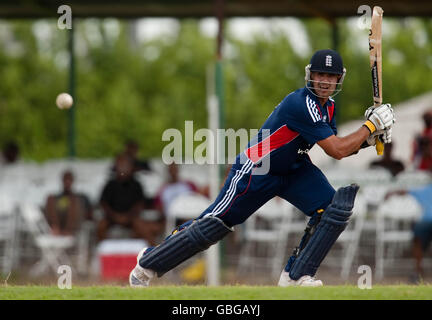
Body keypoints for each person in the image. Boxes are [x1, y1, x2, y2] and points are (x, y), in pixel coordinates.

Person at [129, 49, 395, 287]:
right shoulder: (301, 103)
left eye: (331, 76)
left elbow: (339, 145)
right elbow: (336, 150)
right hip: (258, 166)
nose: (324, 81)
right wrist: (370, 127)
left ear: (339, 80)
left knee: (332, 209)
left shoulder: (329, 107)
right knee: (215, 224)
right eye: (319, 74)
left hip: (294, 168)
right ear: (310, 76)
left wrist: (369, 140)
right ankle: (148, 263)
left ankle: (296, 276)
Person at [97, 154, 163, 245]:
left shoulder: (136, 185)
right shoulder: (110, 185)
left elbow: (139, 204)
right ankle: (104, 252)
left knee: (143, 227)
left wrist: (127, 217)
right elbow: (104, 204)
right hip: (111, 218)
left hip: (132, 218)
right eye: (120, 165)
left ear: (131, 168)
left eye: (125, 165)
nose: (123, 168)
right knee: (100, 226)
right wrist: (115, 216)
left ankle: (153, 251)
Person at [385, 182, 432, 283]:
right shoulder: (425, 189)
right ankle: (418, 270)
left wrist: (390, 193)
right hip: (426, 222)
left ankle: (418, 271)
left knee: (417, 240)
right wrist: (391, 193)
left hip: (425, 222)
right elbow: (406, 191)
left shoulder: (424, 190)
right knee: (417, 239)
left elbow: (404, 191)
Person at [44, 170, 93, 236]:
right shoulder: (57, 197)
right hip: (59, 221)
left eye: (69, 179)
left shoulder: (80, 197)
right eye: (65, 179)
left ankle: (68, 231)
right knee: (50, 198)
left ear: (73, 181)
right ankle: (56, 228)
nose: (67, 182)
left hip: (74, 224)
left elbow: (89, 213)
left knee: (73, 200)